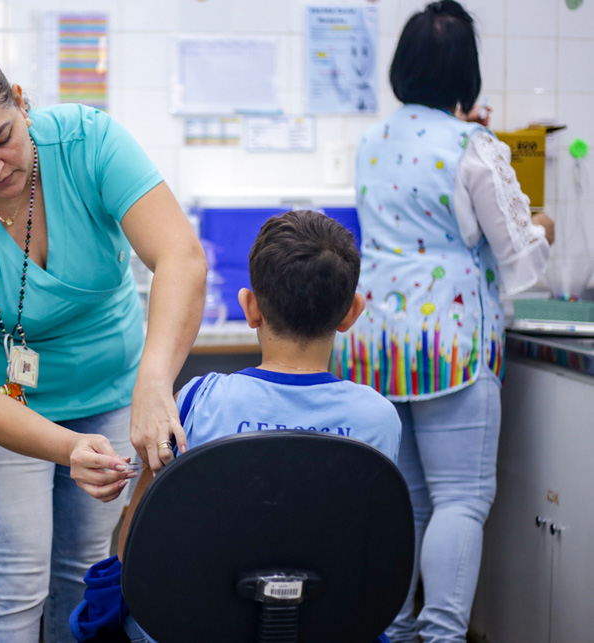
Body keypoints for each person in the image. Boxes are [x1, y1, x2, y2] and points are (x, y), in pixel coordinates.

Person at [0, 46, 207, 643]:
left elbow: (180, 256)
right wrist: (68, 448)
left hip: (112, 386)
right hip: (6, 407)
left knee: (83, 572)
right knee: (16, 579)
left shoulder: (89, 143)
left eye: (3, 138)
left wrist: (154, 384)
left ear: (22, 102)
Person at [70, 210, 403, 643]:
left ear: (250, 308)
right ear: (352, 312)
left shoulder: (199, 400)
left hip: (193, 626)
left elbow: (136, 548)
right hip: (329, 626)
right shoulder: (378, 418)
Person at [331, 3, 554, 642]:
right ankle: (442, 635)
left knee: (406, 498)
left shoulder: (372, 142)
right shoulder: (473, 146)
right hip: (449, 342)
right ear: (467, 72)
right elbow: (520, 257)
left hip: (374, 343)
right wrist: (544, 225)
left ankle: (395, 630)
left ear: (402, 66)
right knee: (462, 498)